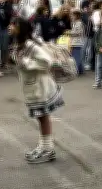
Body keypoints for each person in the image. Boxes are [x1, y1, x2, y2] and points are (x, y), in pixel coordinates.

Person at [10, 18, 64, 163]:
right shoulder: (19, 44)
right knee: (41, 118)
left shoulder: (30, 45)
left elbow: (47, 61)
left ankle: (48, 148)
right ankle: (44, 146)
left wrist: (27, 64)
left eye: (14, 24)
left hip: (40, 87)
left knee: (43, 117)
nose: (10, 27)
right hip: (32, 86)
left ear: (21, 28)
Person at [68, 9, 85, 75]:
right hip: (75, 42)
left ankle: (76, 70)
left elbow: (78, 32)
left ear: (76, 16)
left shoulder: (79, 23)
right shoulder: (75, 23)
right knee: (77, 56)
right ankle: (81, 70)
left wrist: (69, 33)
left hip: (77, 42)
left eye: (72, 15)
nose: (71, 16)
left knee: (75, 57)